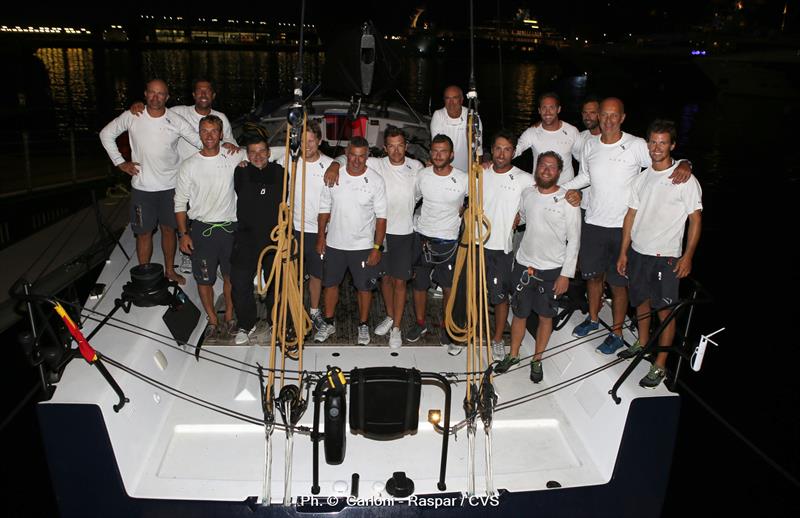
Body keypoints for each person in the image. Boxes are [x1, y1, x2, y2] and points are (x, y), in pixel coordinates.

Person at [562, 97, 692, 354]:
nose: (608, 120)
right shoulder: (589, 144)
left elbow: (662, 160)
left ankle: (618, 332)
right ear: (598, 116)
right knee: (593, 277)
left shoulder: (635, 146)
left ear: (622, 118)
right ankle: (594, 318)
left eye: (614, 115)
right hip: (593, 222)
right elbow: (586, 176)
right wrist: (560, 190)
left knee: (619, 283)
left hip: (623, 229)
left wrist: (686, 163)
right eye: (604, 115)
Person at [616, 119, 702, 388]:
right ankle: (642, 344)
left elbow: (695, 221)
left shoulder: (684, 178)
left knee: (665, 312)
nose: (656, 147)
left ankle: (660, 365)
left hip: (666, 256)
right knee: (640, 302)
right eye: (653, 142)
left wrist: (687, 256)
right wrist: (623, 252)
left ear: (672, 145)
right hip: (638, 253)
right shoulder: (641, 178)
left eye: (663, 142)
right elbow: (630, 215)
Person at [324, 127, 424, 348]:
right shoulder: (376, 163)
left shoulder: (416, 167)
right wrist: (333, 164)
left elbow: (425, 192)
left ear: (406, 146)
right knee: (384, 279)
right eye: (391, 146)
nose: (396, 150)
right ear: (385, 148)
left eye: (400, 145)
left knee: (400, 282)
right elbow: (347, 156)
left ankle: (396, 328)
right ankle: (390, 315)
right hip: (379, 233)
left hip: (404, 232)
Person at [99, 79, 200, 285]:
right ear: (145, 94)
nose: (156, 97)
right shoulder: (133, 115)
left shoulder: (176, 120)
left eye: (161, 94)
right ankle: (144, 275)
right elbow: (106, 134)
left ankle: (169, 271)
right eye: (152, 93)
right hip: (142, 189)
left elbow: (201, 140)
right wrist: (120, 162)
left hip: (171, 188)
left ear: (167, 97)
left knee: (169, 229)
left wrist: (224, 145)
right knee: (143, 233)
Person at [495, 152, 581, 383]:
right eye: (543, 165)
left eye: (552, 167)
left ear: (559, 173)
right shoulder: (528, 193)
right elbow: (522, 216)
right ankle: (513, 355)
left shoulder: (568, 201)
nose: (546, 170)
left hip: (552, 271)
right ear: (537, 169)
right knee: (519, 313)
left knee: (545, 316)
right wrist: (515, 220)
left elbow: (574, 241)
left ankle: (537, 359)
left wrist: (565, 275)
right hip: (524, 265)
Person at [174, 115, 246, 338]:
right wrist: (183, 234)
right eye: (204, 131)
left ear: (222, 134)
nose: (209, 136)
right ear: (199, 133)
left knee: (230, 277)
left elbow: (263, 154)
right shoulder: (189, 165)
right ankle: (212, 319)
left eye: (214, 131)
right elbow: (179, 203)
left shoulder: (234, 156)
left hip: (229, 230)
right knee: (204, 279)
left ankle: (230, 316)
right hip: (202, 231)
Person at [314, 137, 387, 345]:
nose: (356, 160)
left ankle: (363, 325)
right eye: (353, 155)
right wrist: (321, 236)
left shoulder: (376, 181)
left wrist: (377, 248)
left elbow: (382, 218)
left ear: (367, 156)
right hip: (335, 244)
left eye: (361, 156)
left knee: (364, 288)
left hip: (363, 246)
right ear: (347, 153)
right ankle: (328, 322)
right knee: (330, 285)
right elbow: (324, 209)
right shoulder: (333, 176)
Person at [408, 134, 468, 355]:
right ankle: (420, 323)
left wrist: (468, 207)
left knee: (449, 288)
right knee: (419, 286)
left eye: (443, 151)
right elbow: (413, 199)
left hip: (449, 242)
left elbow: (475, 200)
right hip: (422, 238)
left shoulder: (464, 179)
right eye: (434, 151)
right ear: (430, 153)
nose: (438, 155)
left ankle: (447, 327)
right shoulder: (422, 175)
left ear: (451, 155)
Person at [481, 131, 534, 360]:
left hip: (501, 248)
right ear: (492, 150)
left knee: (499, 296)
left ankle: (497, 338)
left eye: (507, 149)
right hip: (474, 244)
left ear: (514, 152)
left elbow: (537, 201)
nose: (502, 154)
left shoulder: (524, 179)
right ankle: (469, 333)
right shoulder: (479, 173)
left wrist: (520, 216)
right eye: (498, 148)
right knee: (473, 292)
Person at [279, 120, 334, 331]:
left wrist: (337, 163)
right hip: (293, 228)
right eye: (302, 141)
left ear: (319, 141)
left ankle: (313, 311)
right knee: (292, 273)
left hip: (319, 231)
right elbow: (261, 155)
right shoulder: (290, 160)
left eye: (311, 141)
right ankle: (293, 310)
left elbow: (345, 160)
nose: (307, 145)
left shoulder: (330, 165)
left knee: (316, 274)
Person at [230, 132, 284, 345]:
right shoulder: (240, 172)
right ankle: (246, 323)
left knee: (276, 286)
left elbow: (288, 151)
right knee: (239, 283)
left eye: (262, 151)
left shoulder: (281, 172)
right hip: (246, 239)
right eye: (253, 152)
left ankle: (275, 322)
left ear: (269, 153)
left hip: (273, 239)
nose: (258, 156)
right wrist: (240, 159)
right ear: (247, 155)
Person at [130, 79, 239, 162]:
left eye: (207, 91)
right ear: (194, 95)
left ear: (213, 95)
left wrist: (229, 146)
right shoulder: (178, 112)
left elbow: (230, 143)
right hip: (182, 172)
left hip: (212, 168)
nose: (203, 94)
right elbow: (156, 110)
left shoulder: (221, 117)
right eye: (199, 91)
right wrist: (140, 105)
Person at [514, 92, 580, 184]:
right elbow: (516, 149)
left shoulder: (572, 131)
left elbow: (582, 158)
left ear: (558, 109)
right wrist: (494, 162)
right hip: (540, 189)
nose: (547, 112)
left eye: (551, 107)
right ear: (539, 110)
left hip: (565, 191)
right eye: (544, 108)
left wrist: (577, 187)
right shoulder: (532, 132)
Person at [430, 85, 482, 173]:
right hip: (444, 170)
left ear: (461, 100)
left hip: (467, 171)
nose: (451, 103)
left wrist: (478, 172)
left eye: (455, 98)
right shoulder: (438, 115)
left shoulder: (472, 116)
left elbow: (478, 149)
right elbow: (437, 147)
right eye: (447, 98)